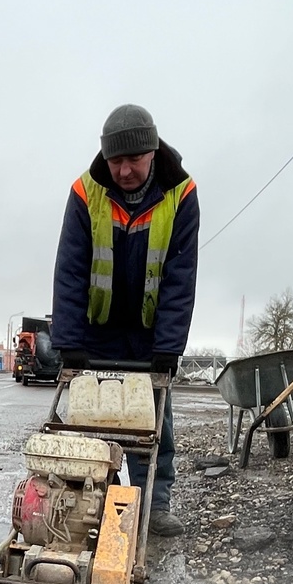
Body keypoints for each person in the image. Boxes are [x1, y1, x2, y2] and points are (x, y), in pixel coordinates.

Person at [51, 104, 200, 537]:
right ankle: (98, 502)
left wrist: (169, 348)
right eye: (116, 160)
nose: (124, 170)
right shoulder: (86, 192)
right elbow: (71, 271)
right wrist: (69, 341)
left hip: (150, 333)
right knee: (90, 422)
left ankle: (155, 506)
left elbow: (179, 277)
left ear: (151, 151)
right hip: (96, 331)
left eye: (133, 159)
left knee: (152, 422)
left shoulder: (181, 194)